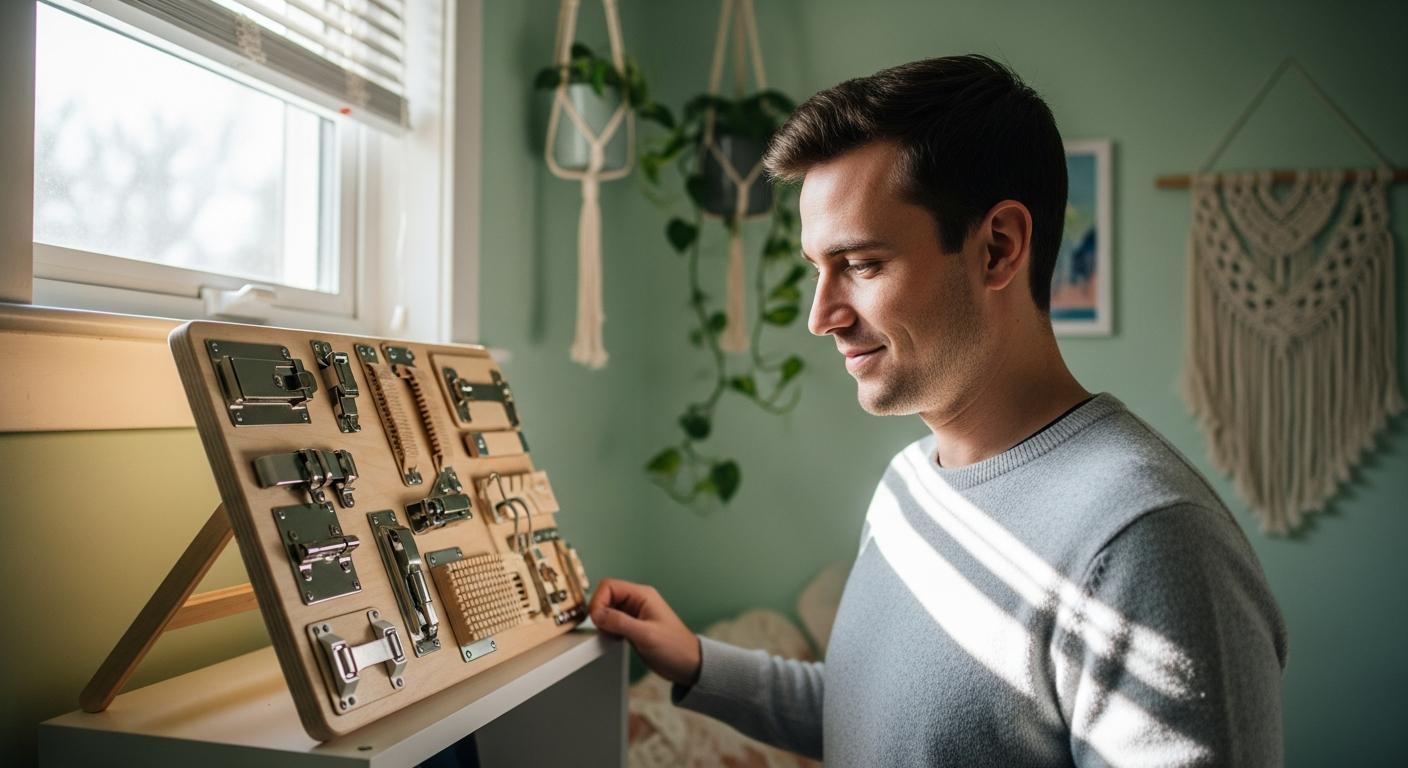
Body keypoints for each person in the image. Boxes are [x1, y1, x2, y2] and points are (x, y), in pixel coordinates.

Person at [589, 55, 1287, 766]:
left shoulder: (1145, 543)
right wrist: (699, 663)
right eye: (815, 269)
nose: (820, 316)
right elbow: (884, 722)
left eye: (860, 265)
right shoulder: (911, 484)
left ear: (998, 249)